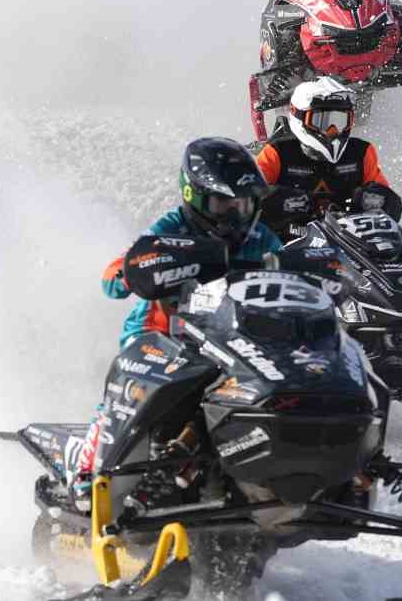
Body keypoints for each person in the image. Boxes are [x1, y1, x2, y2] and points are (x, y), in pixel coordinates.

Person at [72, 138, 282, 505]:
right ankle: (88, 475)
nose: (235, 213)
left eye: (244, 203)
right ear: (194, 196)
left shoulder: (261, 237)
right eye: (223, 203)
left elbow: (286, 273)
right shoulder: (170, 227)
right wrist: (134, 271)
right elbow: (114, 276)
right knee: (131, 389)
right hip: (161, 333)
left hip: (230, 337)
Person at [254, 77, 401, 237]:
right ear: (300, 117)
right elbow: (248, 198)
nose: (332, 131)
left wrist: (376, 199)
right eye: (321, 121)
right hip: (285, 248)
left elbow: (389, 205)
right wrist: (280, 200)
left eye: (340, 121)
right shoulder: (276, 153)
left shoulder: (361, 153)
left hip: (347, 245)